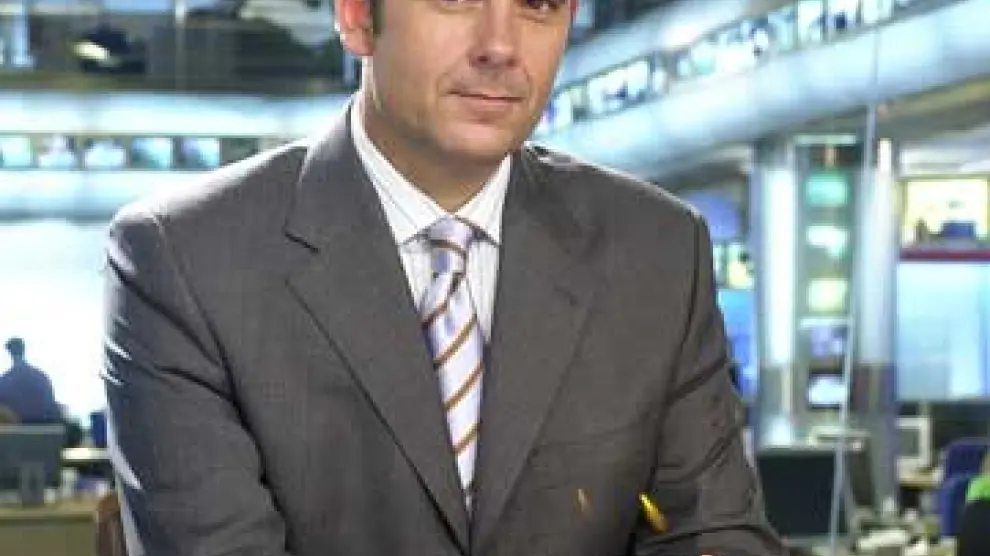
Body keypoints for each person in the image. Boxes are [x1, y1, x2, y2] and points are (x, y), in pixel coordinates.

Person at [103, 1, 784, 555]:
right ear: (356, 17)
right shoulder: (183, 259)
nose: (500, 46)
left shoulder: (658, 250)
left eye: (538, 5)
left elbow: (710, 533)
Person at [0, 337, 61, 424]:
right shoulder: (40, 377)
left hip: (19, 427)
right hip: (38, 426)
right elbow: (50, 407)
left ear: (9, 352)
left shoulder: (5, 381)